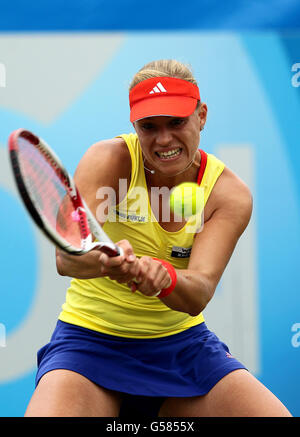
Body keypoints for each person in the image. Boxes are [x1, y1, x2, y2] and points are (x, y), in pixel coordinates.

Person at [25, 59, 291, 417]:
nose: (164, 139)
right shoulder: (109, 160)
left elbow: (198, 292)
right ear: (135, 125)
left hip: (183, 350)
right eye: (149, 126)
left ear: (202, 116)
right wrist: (108, 261)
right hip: (88, 343)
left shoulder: (228, 194)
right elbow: (67, 258)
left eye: (177, 122)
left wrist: (163, 278)